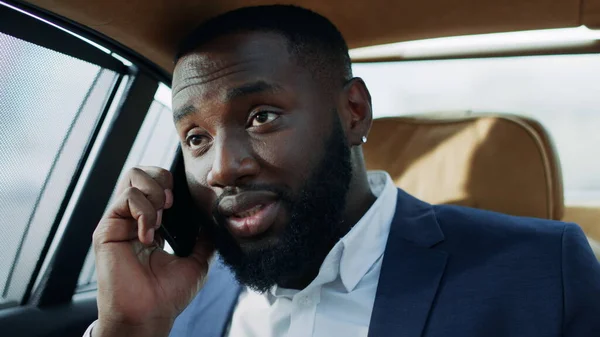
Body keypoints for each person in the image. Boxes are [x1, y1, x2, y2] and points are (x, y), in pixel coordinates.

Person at [85, 5, 600, 337]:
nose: (222, 168)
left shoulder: (542, 271)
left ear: (353, 112)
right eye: (196, 138)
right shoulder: (172, 302)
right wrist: (128, 330)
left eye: (261, 117)